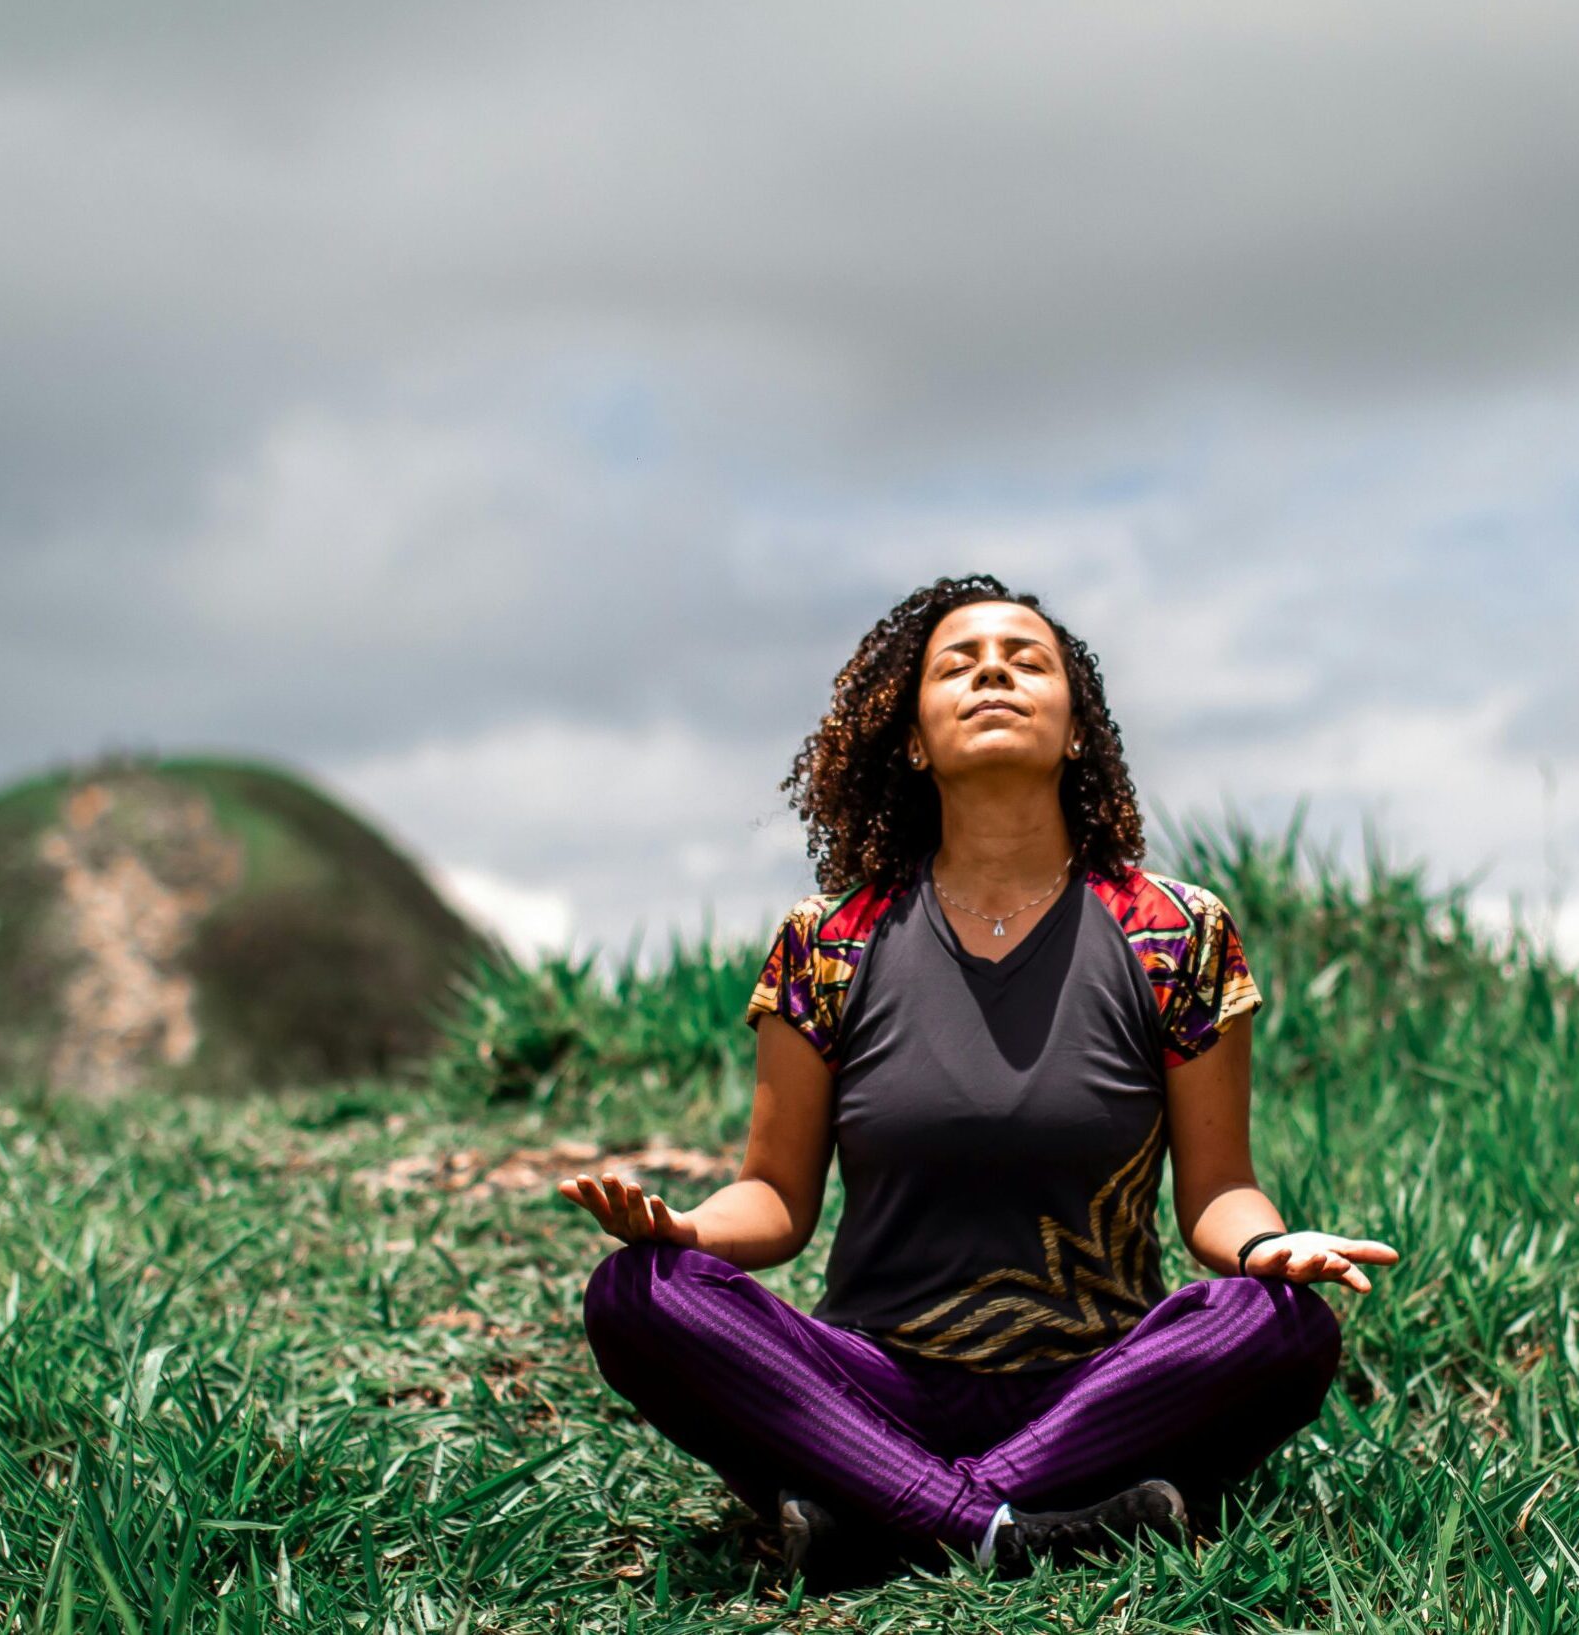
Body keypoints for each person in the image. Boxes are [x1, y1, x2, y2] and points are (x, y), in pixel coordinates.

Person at [560, 573, 1397, 1590]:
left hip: (1100, 1386)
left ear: (1075, 730)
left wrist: (1270, 1246)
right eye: (956, 664)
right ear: (911, 739)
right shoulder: (827, 943)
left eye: (1025, 660)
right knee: (637, 1294)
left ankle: (882, 1514)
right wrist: (684, 1232)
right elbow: (776, 1199)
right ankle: (1012, 1527)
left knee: (1278, 1324)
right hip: (878, 1383)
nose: (992, 670)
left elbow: (1216, 1190)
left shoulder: (1175, 932)